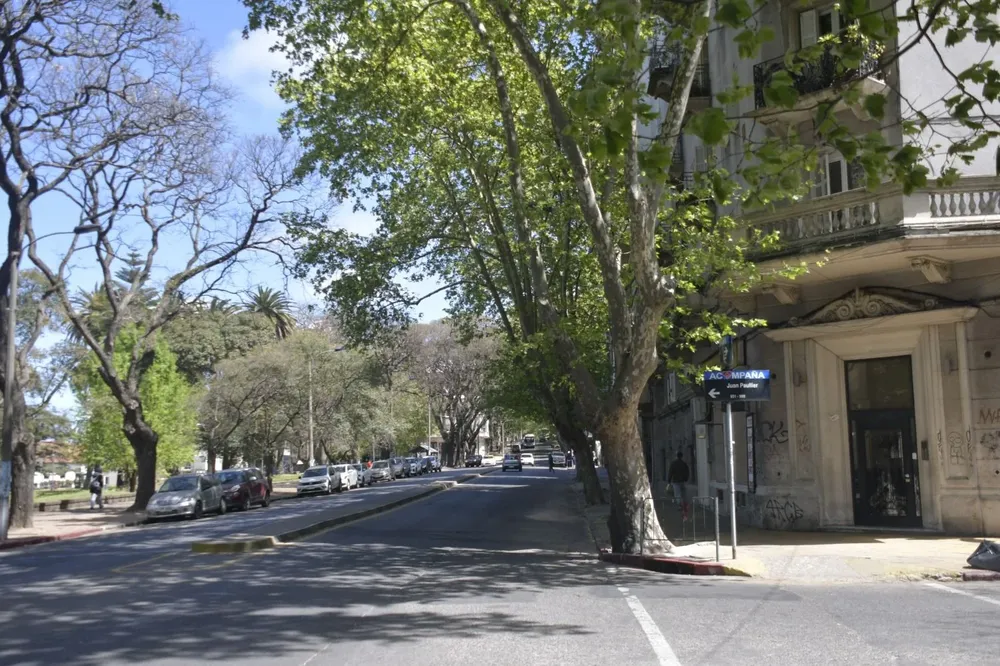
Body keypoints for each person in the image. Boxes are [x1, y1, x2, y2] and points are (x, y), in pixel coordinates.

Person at [667, 451, 690, 521]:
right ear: (682, 456)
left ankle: (680, 505)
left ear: (676, 456)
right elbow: (687, 472)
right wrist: (686, 479)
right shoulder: (684, 464)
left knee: (677, 494)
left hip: (676, 481)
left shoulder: (673, 463)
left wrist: (669, 481)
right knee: (683, 494)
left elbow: (670, 472)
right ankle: (685, 505)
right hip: (682, 481)